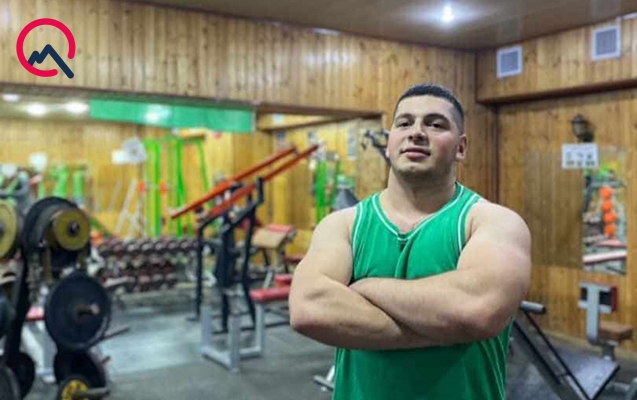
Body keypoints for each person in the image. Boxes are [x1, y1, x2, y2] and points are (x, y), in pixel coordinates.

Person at [289, 83, 532, 400]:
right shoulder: (344, 224)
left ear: (460, 148)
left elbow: (476, 310)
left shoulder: (493, 222)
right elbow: (308, 308)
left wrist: (365, 287)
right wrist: (447, 329)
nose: (417, 132)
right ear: (389, 143)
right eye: (404, 123)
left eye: (435, 124)